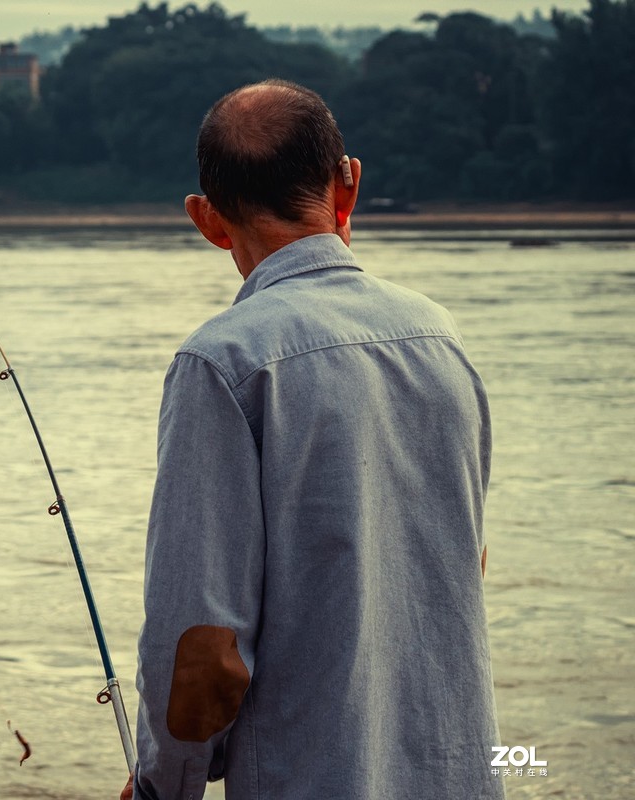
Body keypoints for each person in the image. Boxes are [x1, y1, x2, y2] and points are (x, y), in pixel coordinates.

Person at [121, 80, 502, 800]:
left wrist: (163, 786)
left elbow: (201, 639)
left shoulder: (221, 364)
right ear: (347, 184)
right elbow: (465, 561)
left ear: (208, 220)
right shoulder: (440, 336)